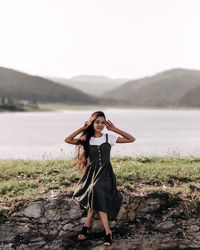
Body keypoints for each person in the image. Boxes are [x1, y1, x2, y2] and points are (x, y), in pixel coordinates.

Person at [64, 111, 135, 246]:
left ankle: (87, 226)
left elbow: (131, 139)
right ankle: (108, 232)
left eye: (103, 122)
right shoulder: (87, 138)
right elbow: (68, 139)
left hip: (106, 173)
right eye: (97, 122)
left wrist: (114, 129)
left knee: (95, 189)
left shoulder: (109, 138)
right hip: (91, 174)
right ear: (92, 123)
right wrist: (83, 128)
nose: (100, 125)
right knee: (95, 191)